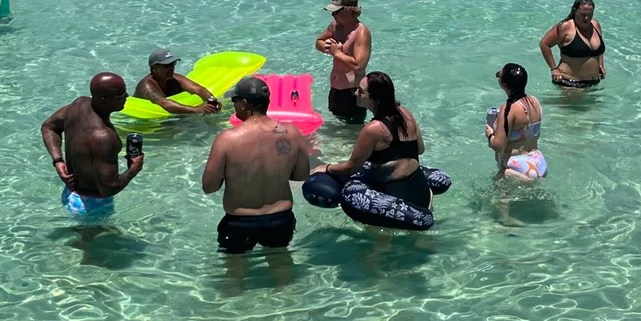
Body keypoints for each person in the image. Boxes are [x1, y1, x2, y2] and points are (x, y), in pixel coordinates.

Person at [202, 75, 309, 254]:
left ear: (244, 103)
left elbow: (209, 187)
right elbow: (301, 175)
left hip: (239, 222)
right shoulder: (292, 132)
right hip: (280, 219)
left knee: (234, 277)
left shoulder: (227, 140)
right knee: (281, 269)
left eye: (235, 101)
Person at [310, 71, 431, 220]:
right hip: (421, 191)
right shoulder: (405, 113)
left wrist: (327, 168)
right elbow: (420, 149)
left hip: (396, 198)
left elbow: (351, 167)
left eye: (361, 91)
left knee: (379, 240)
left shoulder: (373, 129)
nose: (355, 93)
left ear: (376, 100)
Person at [39, 73, 144, 220]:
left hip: (71, 193)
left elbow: (48, 127)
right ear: (103, 100)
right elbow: (109, 188)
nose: (127, 96)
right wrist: (133, 170)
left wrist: (58, 161)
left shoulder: (78, 105)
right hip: (92, 205)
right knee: (91, 241)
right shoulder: (103, 137)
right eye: (120, 96)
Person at [317, 0, 372, 122]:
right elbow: (319, 41)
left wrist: (337, 53)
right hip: (335, 90)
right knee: (336, 131)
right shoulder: (336, 26)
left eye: (336, 12)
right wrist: (327, 46)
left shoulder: (361, 32)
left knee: (350, 134)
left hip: (352, 94)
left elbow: (359, 65)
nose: (333, 15)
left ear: (348, 11)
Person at [486, 63, 546, 180]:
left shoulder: (509, 108)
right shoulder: (534, 102)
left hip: (518, 167)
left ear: (504, 84)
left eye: (499, 75)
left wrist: (490, 135)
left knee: (498, 197)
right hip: (538, 162)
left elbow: (499, 146)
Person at [539, 0, 606, 88]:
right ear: (575, 11)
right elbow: (544, 44)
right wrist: (554, 69)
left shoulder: (595, 25)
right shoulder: (566, 27)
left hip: (593, 84)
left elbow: (599, 49)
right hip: (569, 83)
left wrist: (601, 64)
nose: (586, 18)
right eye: (583, 14)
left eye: (590, 14)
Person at [134, 49, 221, 115]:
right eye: (166, 66)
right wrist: (196, 109)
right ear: (154, 69)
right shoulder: (147, 86)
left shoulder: (175, 78)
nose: (171, 68)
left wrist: (213, 101)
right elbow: (164, 103)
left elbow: (198, 89)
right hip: (145, 118)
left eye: (173, 64)